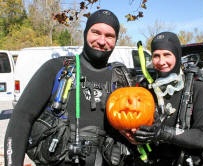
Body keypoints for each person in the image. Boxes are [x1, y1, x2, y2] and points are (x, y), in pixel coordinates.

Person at [4, 9, 133, 166]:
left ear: (116, 40)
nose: (101, 40)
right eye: (96, 32)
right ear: (85, 33)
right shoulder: (56, 68)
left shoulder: (121, 79)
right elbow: (22, 118)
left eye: (109, 36)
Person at [123, 32, 203, 166]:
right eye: (156, 56)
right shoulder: (146, 89)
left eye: (167, 55)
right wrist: (132, 135)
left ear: (177, 55)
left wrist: (163, 133)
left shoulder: (197, 88)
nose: (161, 62)